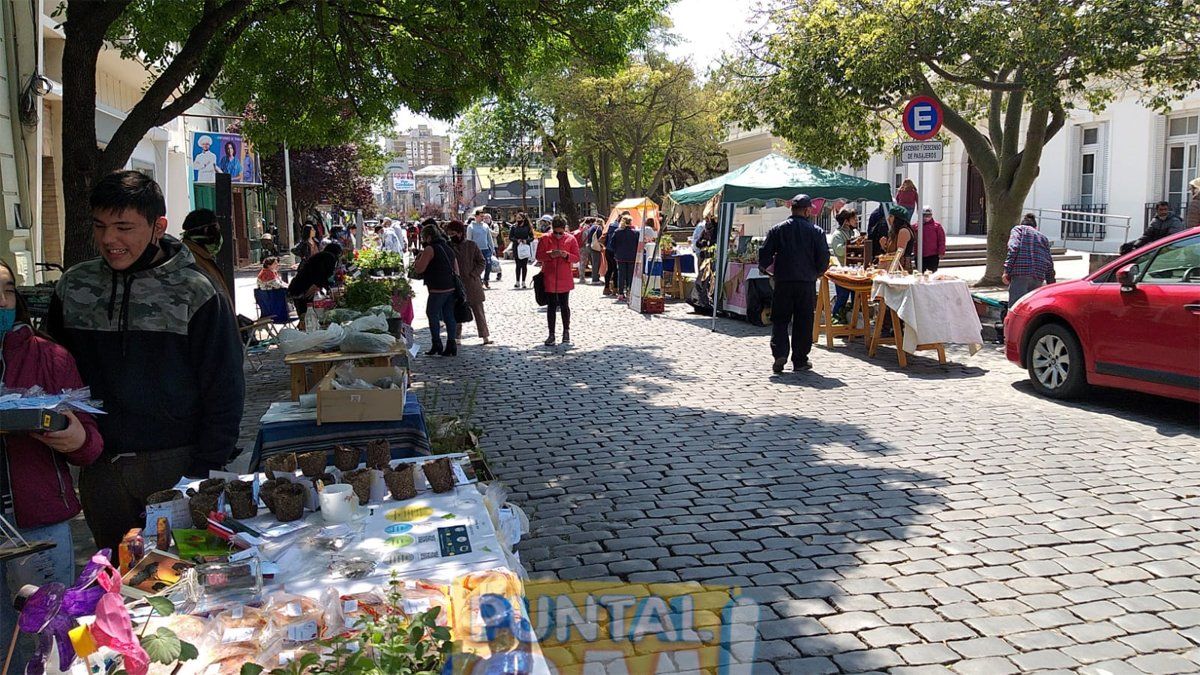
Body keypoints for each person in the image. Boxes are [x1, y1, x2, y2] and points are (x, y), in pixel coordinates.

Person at [47, 170, 244, 551]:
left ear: (158, 227)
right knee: (118, 582)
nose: (109, 239)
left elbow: (226, 390)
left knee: (191, 575)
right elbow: (53, 371)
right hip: (100, 468)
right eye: (100, 226)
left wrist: (201, 474)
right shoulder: (74, 287)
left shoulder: (195, 291)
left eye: (124, 227)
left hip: (178, 464)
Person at [0, 259, 104, 666]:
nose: (1, 301)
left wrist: (74, 437)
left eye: (8, 290)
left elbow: (91, 444)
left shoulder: (47, 356)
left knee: (52, 644)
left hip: (38, 525)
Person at [758, 194, 831, 373]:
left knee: (780, 319)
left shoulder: (778, 229)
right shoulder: (816, 232)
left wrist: (765, 268)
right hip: (805, 282)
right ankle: (799, 359)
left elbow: (764, 254)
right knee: (803, 321)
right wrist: (818, 272)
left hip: (783, 281)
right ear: (807, 210)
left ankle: (780, 353)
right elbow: (823, 258)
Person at [411, 220, 459, 356]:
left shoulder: (430, 249)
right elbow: (456, 269)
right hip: (450, 286)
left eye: (423, 237)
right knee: (449, 315)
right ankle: (451, 344)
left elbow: (420, 269)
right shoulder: (448, 247)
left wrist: (418, 258)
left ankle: (437, 344)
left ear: (429, 237)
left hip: (437, 288)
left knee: (432, 314)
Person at [535, 215, 581, 345]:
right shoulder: (545, 238)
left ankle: (566, 332)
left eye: (561, 233)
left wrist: (566, 255)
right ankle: (551, 334)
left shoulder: (571, 239)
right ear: (552, 229)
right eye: (555, 232)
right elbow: (538, 256)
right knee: (551, 306)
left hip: (564, 277)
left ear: (565, 229)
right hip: (549, 276)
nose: (558, 235)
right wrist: (550, 255)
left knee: (564, 305)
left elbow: (576, 257)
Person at [445, 221, 491, 346]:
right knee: (457, 311)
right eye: (449, 234)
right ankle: (456, 337)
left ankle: (485, 336)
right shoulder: (448, 247)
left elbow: (481, 262)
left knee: (478, 311)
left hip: (472, 284)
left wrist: (474, 274)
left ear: (460, 233)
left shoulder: (471, 245)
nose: (451, 236)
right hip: (456, 284)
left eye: (453, 233)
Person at [180, 208, 232, 302]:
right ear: (206, 230)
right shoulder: (191, 260)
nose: (219, 235)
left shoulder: (202, 257)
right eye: (217, 230)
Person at [1004, 213, 1056, 305]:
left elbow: (1013, 248)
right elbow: (1049, 261)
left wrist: (1006, 271)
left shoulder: (1018, 230)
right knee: (1031, 307)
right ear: (1036, 227)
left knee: (1016, 306)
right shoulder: (1043, 237)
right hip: (1038, 274)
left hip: (1020, 272)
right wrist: (1051, 282)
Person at [288, 242, 342, 322]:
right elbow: (322, 273)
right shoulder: (329, 257)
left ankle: (304, 327)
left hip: (298, 286)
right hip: (305, 288)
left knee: (305, 315)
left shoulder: (321, 256)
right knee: (307, 315)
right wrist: (317, 285)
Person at [1121, 201, 1188, 253]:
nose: (1163, 212)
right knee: (1127, 246)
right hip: (1157, 246)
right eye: (1161, 210)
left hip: (1169, 248)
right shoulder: (1155, 221)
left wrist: (1153, 246)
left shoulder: (1175, 221)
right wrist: (1135, 246)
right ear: (1157, 211)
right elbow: (1147, 236)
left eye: (1165, 209)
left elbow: (1171, 238)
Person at [829, 207, 859, 323]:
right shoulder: (837, 234)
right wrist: (852, 244)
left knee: (856, 297)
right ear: (846, 221)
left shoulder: (853, 232)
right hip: (842, 272)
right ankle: (835, 320)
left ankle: (853, 322)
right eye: (854, 218)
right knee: (842, 297)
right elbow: (839, 251)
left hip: (855, 271)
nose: (856, 220)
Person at [609, 215, 641, 302]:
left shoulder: (617, 232)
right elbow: (639, 245)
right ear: (631, 222)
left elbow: (612, 244)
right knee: (630, 275)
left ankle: (620, 293)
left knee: (621, 275)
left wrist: (617, 251)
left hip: (620, 256)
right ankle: (629, 291)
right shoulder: (635, 233)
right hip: (631, 256)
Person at [881, 204, 917, 271]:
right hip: (894, 267)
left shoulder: (903, 231)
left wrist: (883, 257)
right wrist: (884, 246)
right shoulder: (894, 232)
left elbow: (899, 253)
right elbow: (892, 251)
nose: (888, 218)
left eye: (891, 216)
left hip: (902, 269)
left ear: (898, 219)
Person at [467, 214, 496, 289]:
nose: (483, 218)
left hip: (486, 249)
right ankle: (479, 282)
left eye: (483, 216)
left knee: (488, 265)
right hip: (476, 250)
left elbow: (489, 238)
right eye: (481, 216)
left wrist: (492, 249)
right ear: (476, 217)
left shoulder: (485, 226)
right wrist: (469, 251)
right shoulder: (471, 227)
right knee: (478, 266)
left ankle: (486, 280)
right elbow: (469, 240)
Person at [509, 213, 534, 289]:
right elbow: (511, 237)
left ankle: (523, 281)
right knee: (518, 265)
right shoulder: (513, 227)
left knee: (524, 265)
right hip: (517, 247)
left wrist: (526, 241)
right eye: (517, 218)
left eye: (519, 218)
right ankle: (517, 282)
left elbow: (532, 237)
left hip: (525, 247)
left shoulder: (528, 227)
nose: (518, 220)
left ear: (523, 218)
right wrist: (517, 240)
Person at [918, 205, 947, 272]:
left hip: (933, 255)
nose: (927, 217)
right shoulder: (917, 226)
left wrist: (941, 252)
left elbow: (941, 240)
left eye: (929, 215)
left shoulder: (937, 226)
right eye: (925, 215)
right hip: (920, 255)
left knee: (931, 274)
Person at [602, 213, 625, 294]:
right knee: (616, 270)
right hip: (615, 251)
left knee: (609, 269)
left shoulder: (611, 225)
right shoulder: (619, 229)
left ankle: (606, 288)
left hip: (608, 250)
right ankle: (615, 288)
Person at [582, 218, 605, 284]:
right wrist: (602, 246)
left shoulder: (591, 227)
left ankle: (595, 278)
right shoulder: (599, 228)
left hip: (588, 246)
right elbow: (600, 239)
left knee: (593, 263)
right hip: (594, 247)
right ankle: (595, 280)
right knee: (596, 263)